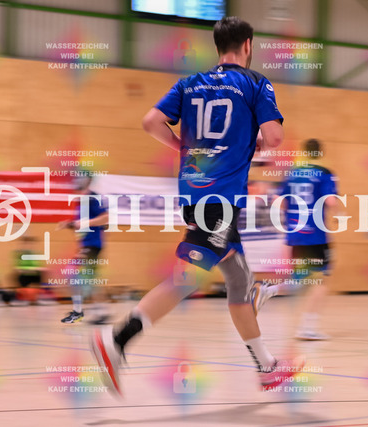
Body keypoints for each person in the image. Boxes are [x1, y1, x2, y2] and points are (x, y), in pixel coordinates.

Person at [90, 16, 304, 396]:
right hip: (219, 200)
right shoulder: (256, 83)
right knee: (185, 279)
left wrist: (182, 147)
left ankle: (267, 367)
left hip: (194, 195)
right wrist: (252, 141)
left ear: (217, 46)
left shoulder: (189, 83)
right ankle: (116, 339)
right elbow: (274, 138)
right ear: (248, 45)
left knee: (239, 281)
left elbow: (151, 121)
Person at [251, 139, 338, 340]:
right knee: (321, 282)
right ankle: (307, 328)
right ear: (320, 153)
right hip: (315, 235)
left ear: (304, 152)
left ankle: (269, 289)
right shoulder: (325, 173)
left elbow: (279, 202)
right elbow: (331, 201)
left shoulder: (292, 173)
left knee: (302, 278)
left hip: (295, 234)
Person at [57, 173, 110, 324]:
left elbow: (106, 218)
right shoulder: (81, 201)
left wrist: (86, 223)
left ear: (87, 180)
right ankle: (101, 312)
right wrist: (69, 224)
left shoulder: (92, 197)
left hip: (92, 245)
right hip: (87, 245)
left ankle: (79, 312)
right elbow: (80, 224)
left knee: (72, 272)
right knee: (89, 278)